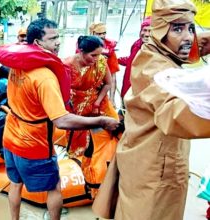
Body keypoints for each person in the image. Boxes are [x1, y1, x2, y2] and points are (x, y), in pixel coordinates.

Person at [93, 0, 210, 219]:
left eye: (191, 28)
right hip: (155, 171)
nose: (188, 37)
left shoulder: (155, 52)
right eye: (177, 28)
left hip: (145, 159)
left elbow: (190, 47)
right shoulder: (156, 69)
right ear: (159, 30)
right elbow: (176, 112)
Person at [0, 18, 119, 220]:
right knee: (54, 187)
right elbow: (61, 120)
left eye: (58, 37)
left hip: (10, 136)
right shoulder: (44, 76)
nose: (58, 42)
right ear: (37, 43)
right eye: (52, 39)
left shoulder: (17, 64)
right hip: (34, 144)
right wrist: (102, 121)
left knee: (15, 184)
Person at [63, 35, 119, 198]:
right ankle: (81, 173)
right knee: (78, 142)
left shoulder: (101, 61)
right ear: (80, 51)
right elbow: (61, 91)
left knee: (109, 135)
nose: (96, 59)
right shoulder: (66, 65)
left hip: (98, 103)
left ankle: (103, 171)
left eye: (99, 54)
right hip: (75, 106)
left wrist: (97, 103)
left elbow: (108, 84)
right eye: (93, 55)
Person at [118, 17, 151, 100]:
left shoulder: (157, 49)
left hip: (144, 91)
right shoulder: (136, 44)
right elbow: (132, 60)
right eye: (144, 30)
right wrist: (116, 59)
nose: (146, 34)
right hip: (128, 87)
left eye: (150, 31)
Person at [89, 22, 119, 106]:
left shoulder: (110, 50)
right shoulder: (83, 48)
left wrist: (112, 99)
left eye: (104, 33)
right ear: (92, 33)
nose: (102, 36)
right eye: (99, 34)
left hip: (102, 89)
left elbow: (113, 77)